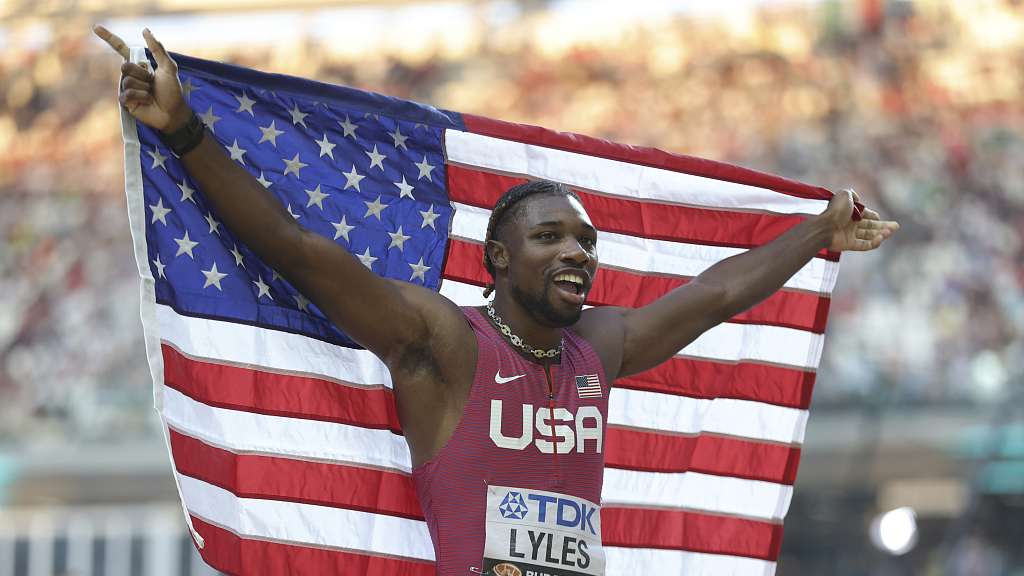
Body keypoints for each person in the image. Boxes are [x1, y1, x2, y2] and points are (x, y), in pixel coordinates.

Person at [95, 26, 898, 576]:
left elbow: (717, 294)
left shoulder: (600, 346)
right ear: (501, 257)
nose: (578, 253)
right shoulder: (440, 342)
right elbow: (298, 251)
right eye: (552, 238)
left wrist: (820, 231)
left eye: (586, 242)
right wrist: (187, 130)